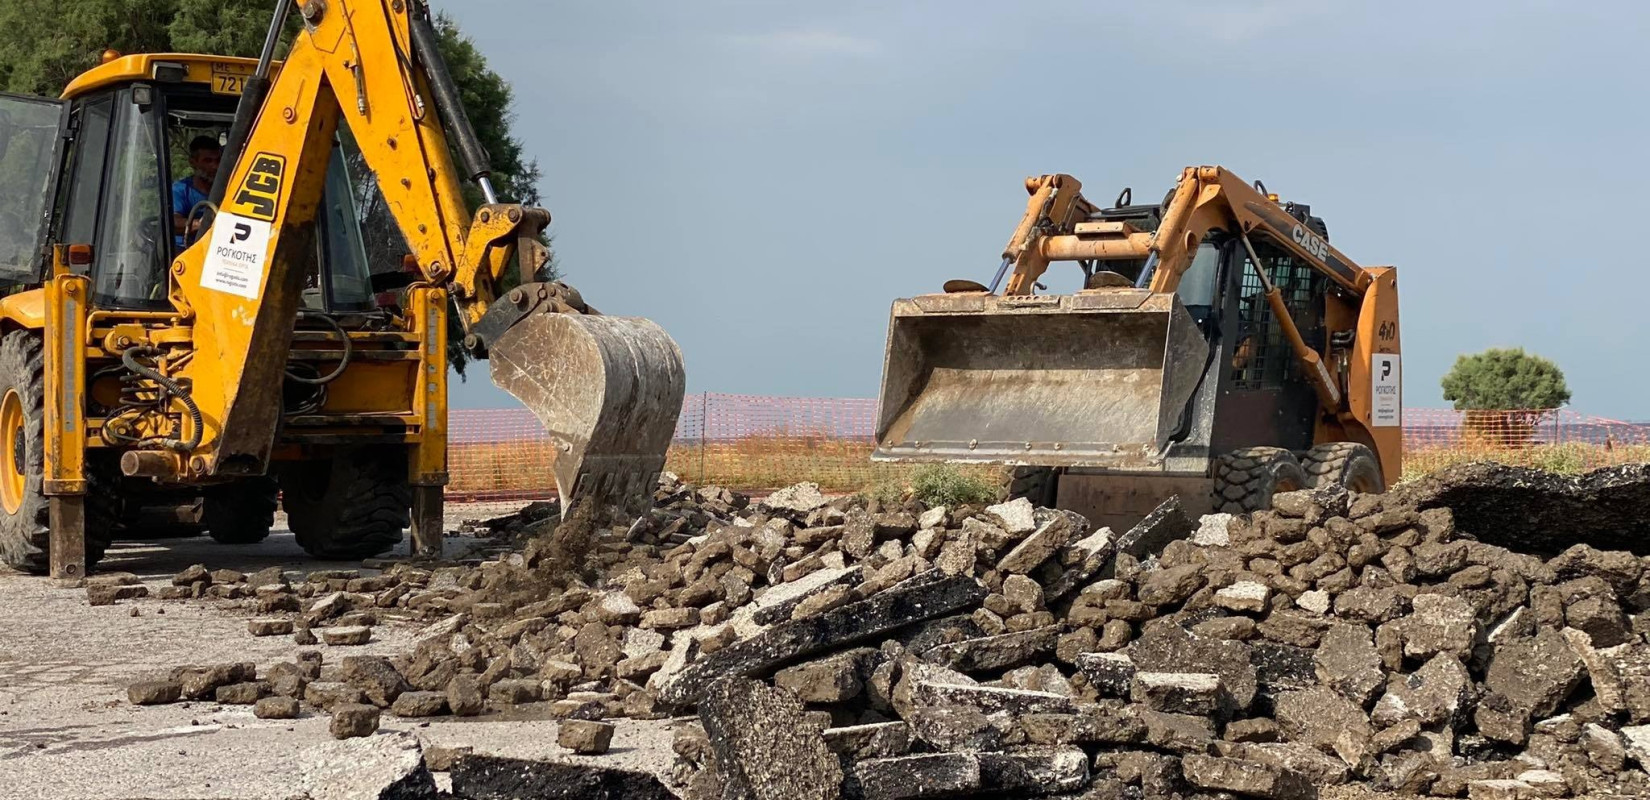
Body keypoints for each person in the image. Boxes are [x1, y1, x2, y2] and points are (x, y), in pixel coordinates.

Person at [171, 135, 221, 250]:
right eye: (208, 161)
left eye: (218, 161)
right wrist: (201, 223)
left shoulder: (227, 190)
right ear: (193, 162)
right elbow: (173, 223)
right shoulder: (181, 190)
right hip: (183, 250)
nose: (215, 166)